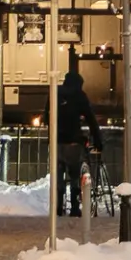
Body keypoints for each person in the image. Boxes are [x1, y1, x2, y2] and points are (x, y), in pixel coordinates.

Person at [52, 63, 98, 217]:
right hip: (73, 141)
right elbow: (91, 119)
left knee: (58, 173)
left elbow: (47, 116)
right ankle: (74, 207)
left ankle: (58, 207)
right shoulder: (80, 95)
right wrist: (98, 140)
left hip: (57, 141)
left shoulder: (55, 92)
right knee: (74, 174)